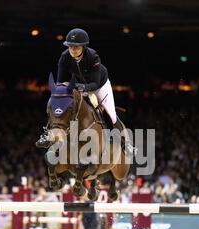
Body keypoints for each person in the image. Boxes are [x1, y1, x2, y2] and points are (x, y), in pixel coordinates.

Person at [36, 28, 135, 156]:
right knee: (59, 104)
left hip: (100, 86)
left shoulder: (93, 57)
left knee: (111, 114)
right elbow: (60, 80)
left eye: (76, 47)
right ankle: (47, 134)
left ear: (84, 47)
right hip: (78, 86)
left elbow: (94, 84)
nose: (73, 50)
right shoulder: (64, 57)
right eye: (70, 47)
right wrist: (61, 91)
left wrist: (80, 87)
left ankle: (125, 143)